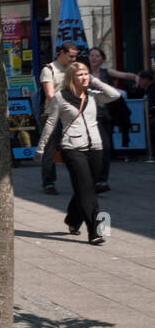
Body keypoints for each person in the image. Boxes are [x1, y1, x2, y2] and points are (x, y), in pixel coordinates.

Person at [35, 61, 120, 245]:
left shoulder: (93, 96)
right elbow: (51, 123)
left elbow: (115, 95)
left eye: (86, 74)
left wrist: (96, 81)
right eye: (80, 74)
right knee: (86, 189)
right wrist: (41, 148)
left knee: (86, 187)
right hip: (72, 148)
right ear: (71, 78)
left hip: (96, 147)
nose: (84, 77)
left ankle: (73, 220)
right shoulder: (60, 97)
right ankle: (95, 231)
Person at [86, 47, 135, 191]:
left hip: (105, 115)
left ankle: (102, 180)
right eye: (91, 55)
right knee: (94, 147)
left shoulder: (106, 72)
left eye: (97, 56)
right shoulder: (83, 72)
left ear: (102, 59)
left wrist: (136, 77)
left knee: (106, 147)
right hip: (88, 116)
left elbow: (125, 75)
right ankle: (92, 178)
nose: (93, 58)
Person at [38, 42, 79, 195]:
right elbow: (50, 95)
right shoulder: (48, 70)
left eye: (75, 56)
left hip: (71, 115)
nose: (74, 59)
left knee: (75, 149)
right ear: (61, 53)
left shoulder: (73, 69)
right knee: (50, 150)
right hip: (52, 115)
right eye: (71, 56)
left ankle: (81, 180)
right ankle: (49, 183)